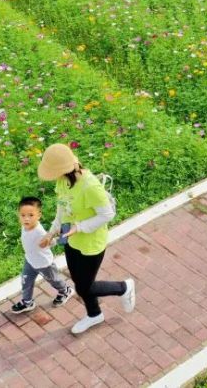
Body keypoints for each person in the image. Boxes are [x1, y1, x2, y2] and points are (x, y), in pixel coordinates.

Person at [38, 143, 136, 334]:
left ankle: (124, 287)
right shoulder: (63, 181)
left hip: (91, 244)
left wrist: (79, 227)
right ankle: (94, 314)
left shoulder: (90, 186)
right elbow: (61, 209)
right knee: (79, 282)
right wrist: (51, 233)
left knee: (84, 287)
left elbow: (107, 214)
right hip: (71, 239)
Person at [10, 196, 73, 314]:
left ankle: (65, 290)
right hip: (30, 261)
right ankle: (27, 302)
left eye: (30, 215)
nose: (26, 219)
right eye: (23, 215)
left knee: (54, 280)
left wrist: (58, 238)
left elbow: (51, 242)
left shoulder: (39, 232)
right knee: (26, 281)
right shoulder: (25, 226)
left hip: (44, 264)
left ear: (39, 215)